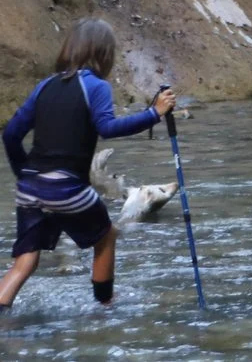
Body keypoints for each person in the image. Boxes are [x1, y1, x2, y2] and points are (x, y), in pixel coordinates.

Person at [1, 20, 174, 313]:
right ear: (103, 53)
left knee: (26, 260)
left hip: (30, 187)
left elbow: (10, 134)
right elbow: (107, 128)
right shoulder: (96, 86)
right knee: (106, 236)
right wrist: (153, 114)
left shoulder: (45, 86)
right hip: (66, 186)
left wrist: (26, 177)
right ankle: (106, 307)